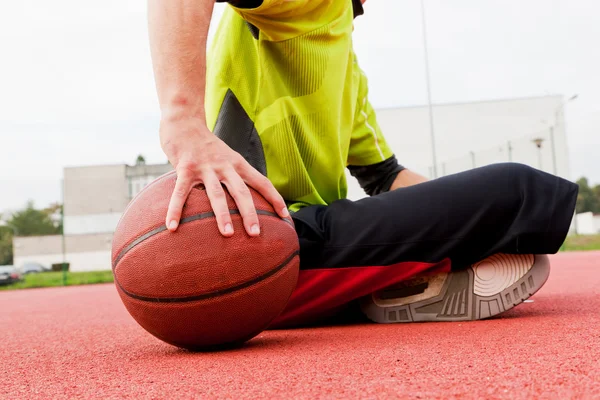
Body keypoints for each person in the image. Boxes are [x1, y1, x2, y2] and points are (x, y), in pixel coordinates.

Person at [147, 0, 579, 328]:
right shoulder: (306, 5)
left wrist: (465, 230)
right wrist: (182, 119)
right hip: (252, 240)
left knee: (507, 220)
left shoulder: (346, 58)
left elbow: (385, 177)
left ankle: (392, 285)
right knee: (521, 192)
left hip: (301, 242)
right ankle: (396, 283)